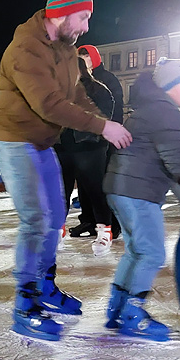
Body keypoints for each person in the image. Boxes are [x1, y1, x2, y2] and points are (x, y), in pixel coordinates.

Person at [0, 0, 131, 341]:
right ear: (61, 14)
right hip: (15, 140)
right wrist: (101, 128)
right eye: (82, 17)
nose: (86, 26)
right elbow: (49, 104)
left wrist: (108, 122)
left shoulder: (66, 48)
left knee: (55, 216)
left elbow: (77, 94)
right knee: (37, 219)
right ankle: (26, 303)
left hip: (43, 141)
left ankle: (45, 286)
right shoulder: (25, 49)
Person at [103, 58, 180, 340]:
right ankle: (133, 314)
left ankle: (117, 308)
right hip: (138, 191)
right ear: (168, 86)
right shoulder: (168, 114)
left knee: (136, 251)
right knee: (152, 253)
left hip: (121, 188)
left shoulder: (150, 108)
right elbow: (178, 161)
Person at [56, 56, 118, 256]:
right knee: (60, 192)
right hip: (63, 148)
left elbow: (104, 117)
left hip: (90, 149)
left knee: (95, 191)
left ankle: (104, 231)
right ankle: (57, 231)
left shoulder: (99, 90)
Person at [69, 44, 123, 246]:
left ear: (93, 58)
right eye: (80, 56)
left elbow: (115, 108)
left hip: (102, 141)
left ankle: (112, 223)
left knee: (102, 184)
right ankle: (89, 220)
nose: (83, 59)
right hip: (80, 143)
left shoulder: (107, 80)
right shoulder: (75, 81)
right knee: (84, 184)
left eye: (85, 55)